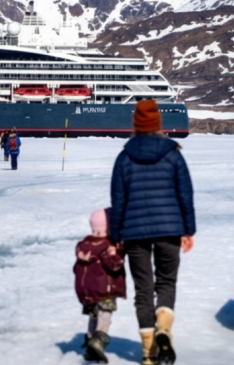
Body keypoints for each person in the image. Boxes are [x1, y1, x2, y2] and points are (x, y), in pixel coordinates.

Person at [109, 99, 196, 365]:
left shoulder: (124, 157)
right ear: (158, 123)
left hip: (134, 234)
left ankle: (149, 354)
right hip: (170, 230)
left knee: (143, 291)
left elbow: (118, 201)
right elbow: (185, 194)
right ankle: (164, 330)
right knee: (166, 283)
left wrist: (115, 237)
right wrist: (188, 230)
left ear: (136, 124)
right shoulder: (173, 154)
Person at [74, 209, 126, 363]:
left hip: (88, 289)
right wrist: (119, 256)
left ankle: (90, 339)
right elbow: (114, 265)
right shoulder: (108, 245)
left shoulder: (84, 244)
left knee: (93, 314)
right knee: (105, 313)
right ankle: (99, 339)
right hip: (106, 289)